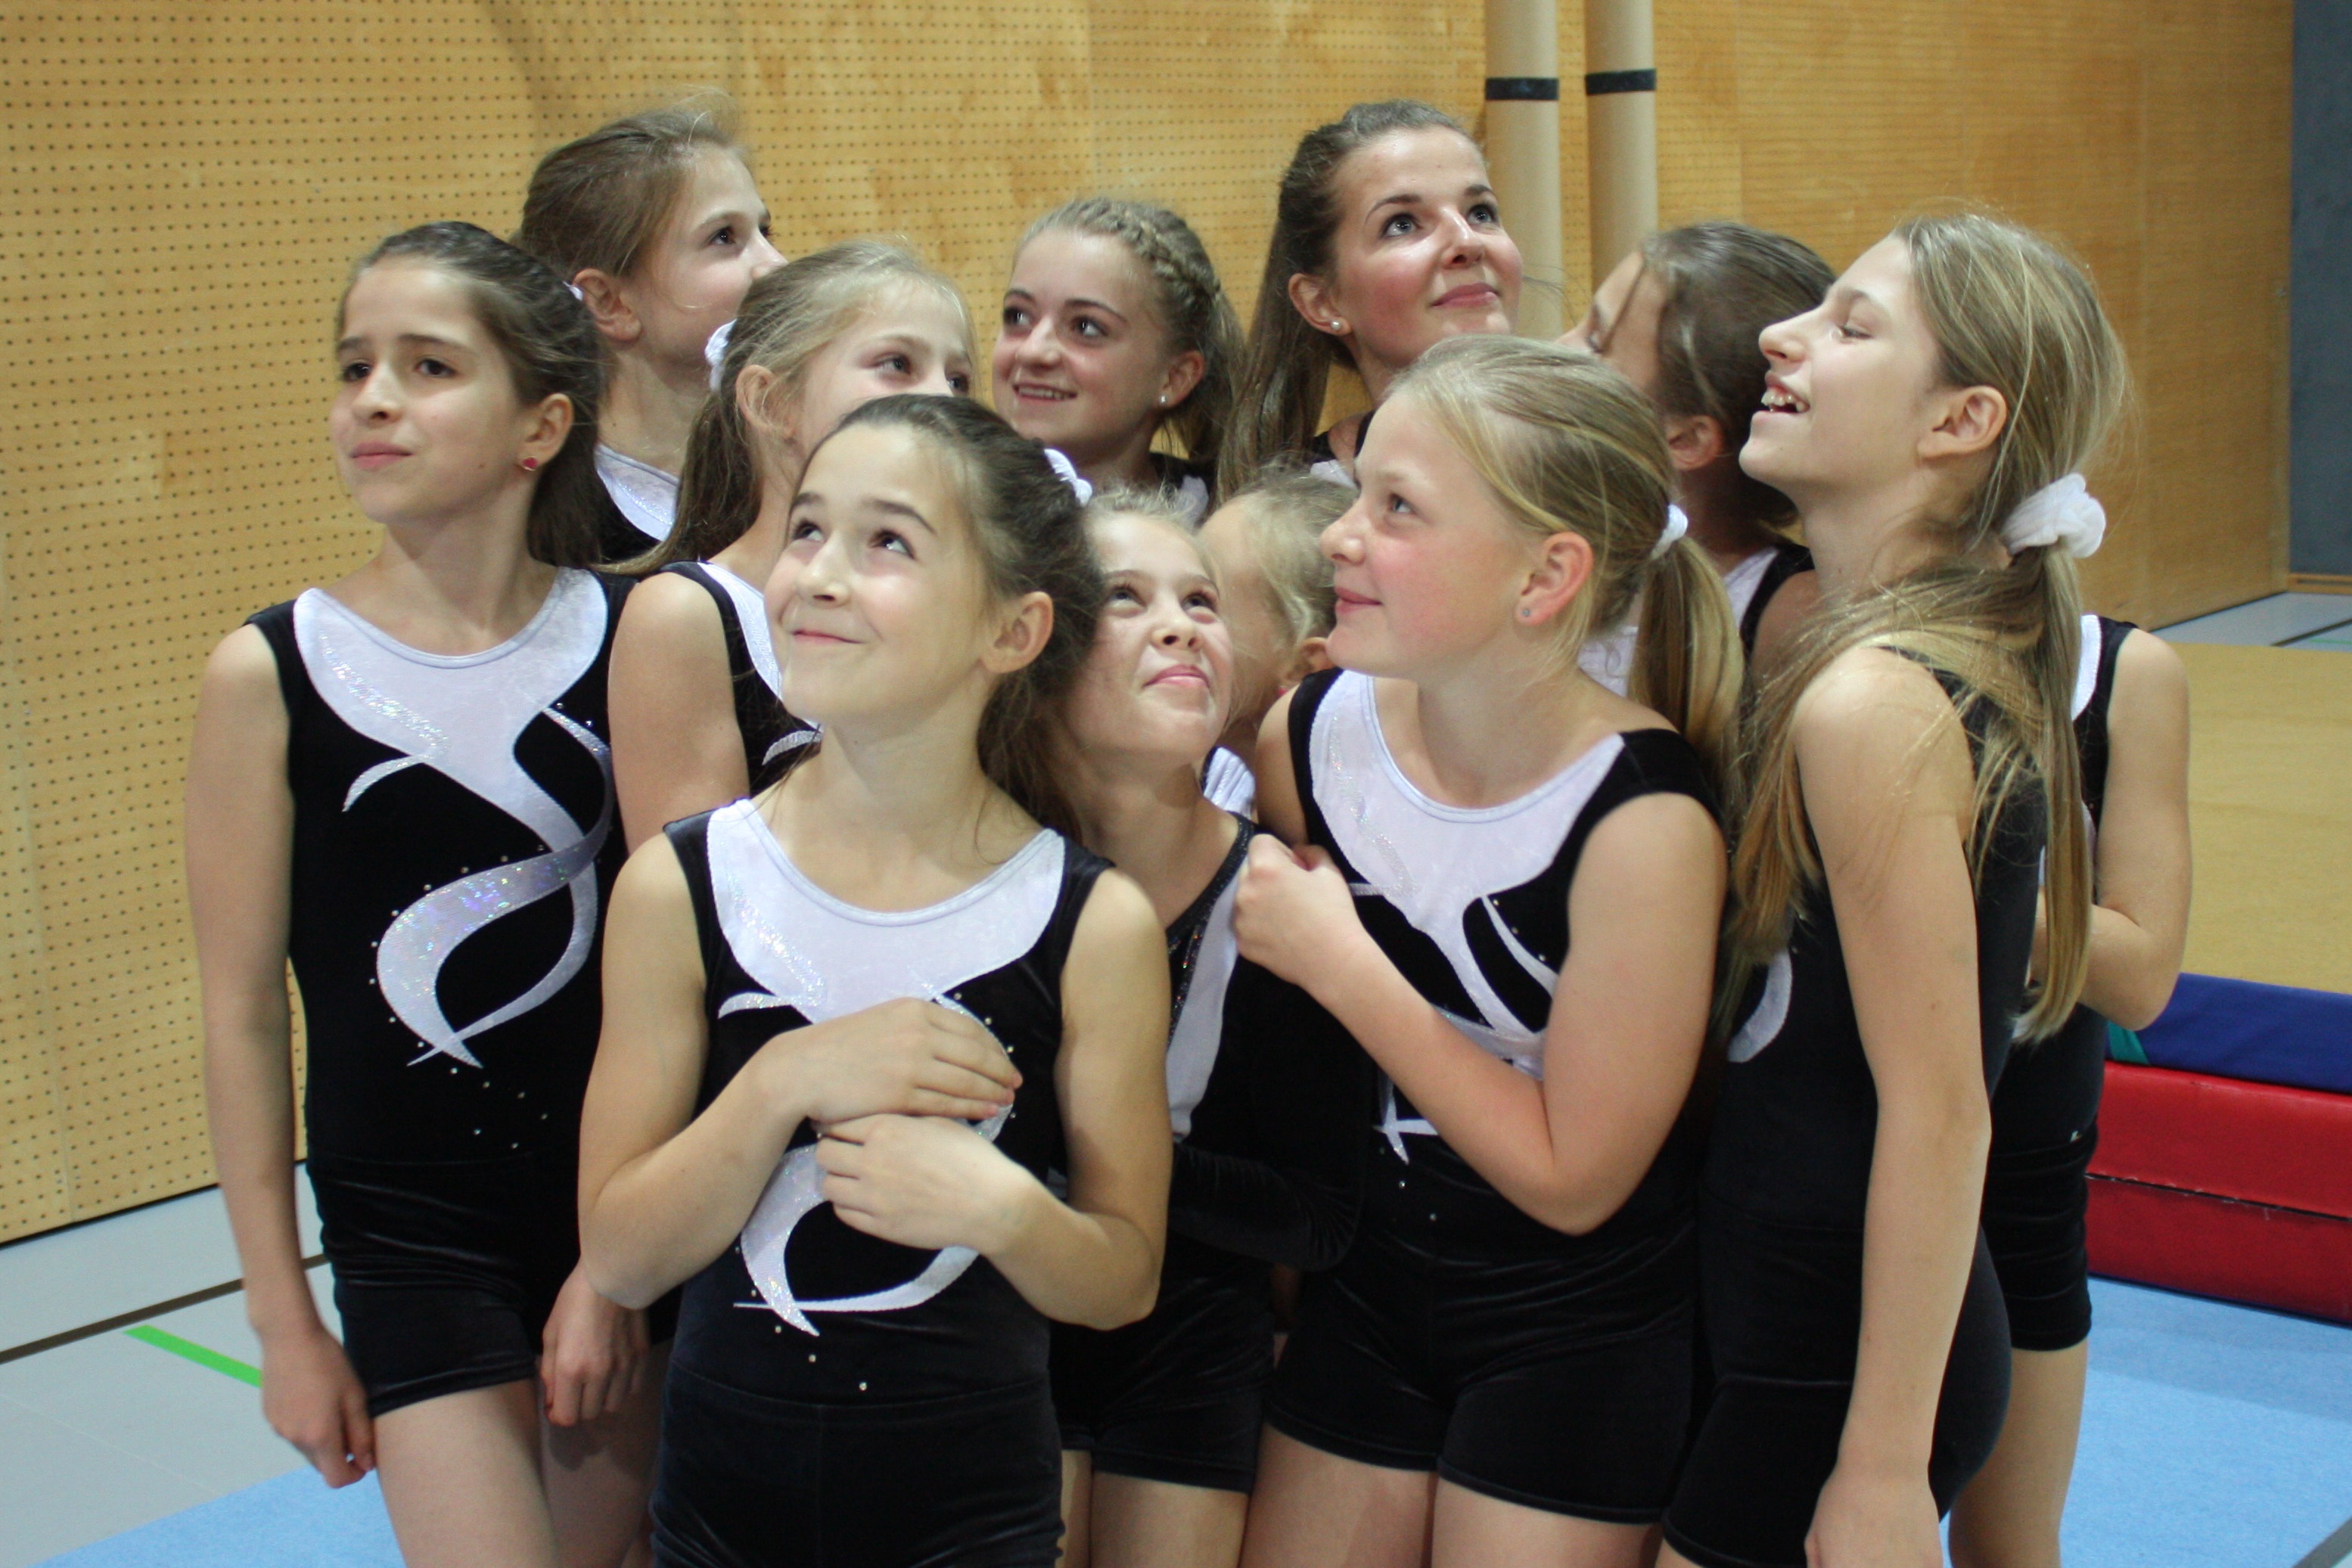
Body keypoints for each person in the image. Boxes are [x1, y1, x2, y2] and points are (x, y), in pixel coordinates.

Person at [576, 396, 1171, 1568]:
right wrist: (782, 1080)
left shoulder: (1090, 922)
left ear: (1012, 629)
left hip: (970, 1524)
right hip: (721, 1521)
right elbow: (622, 1255)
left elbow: (1123, 1281)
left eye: (887, 540)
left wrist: (1003, 1208)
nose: (820, 575)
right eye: (808, 530)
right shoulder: (682, 887)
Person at [1659, 211, 2127, 1568]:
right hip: (1789, 1325)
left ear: (1959, 421)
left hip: (1832, 1363)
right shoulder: (1871, 660)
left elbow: (1939, 1108)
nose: (1778, 336)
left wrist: (1876, 1464)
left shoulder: (1876, 700)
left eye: (1849, 325)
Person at [187, 222, 658, 1568]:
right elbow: (240, 1013)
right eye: (355, 368)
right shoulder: (271, 672)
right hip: (409, 1231)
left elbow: (679, 966)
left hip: (613, 1210)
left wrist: (619, 1263)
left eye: (429, 366)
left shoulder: (636, 636)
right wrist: (284, 1320)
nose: (374, 400)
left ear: (540, 426)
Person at [1232, 334, 1741, 1568]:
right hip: (1366, 1294)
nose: (1339, 536)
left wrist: (1344, 965)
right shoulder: (1307, 735)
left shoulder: (1642, 822)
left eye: (1397, 508)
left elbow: (1573, 1177)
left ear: (1544, 574)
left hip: (1572, 1327)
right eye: (1357, 493)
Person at [1048, 492, 1375, 1568]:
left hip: (1189, 1352)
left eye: (1201, 601)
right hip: (995, 1328)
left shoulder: (1282, 896)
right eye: (1125, 598)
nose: (1180, 626)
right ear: (1028, 642)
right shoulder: (981, 871)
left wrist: (1110, 1158)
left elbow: (1319, 1217)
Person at [1948, 607, 2189, 1568]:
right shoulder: (1809, 633)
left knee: (2010, 1540)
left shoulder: (2119, 672)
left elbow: (2140, 973)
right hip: (1833, 1175)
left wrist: (1940, 879)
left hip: (2024, 1170)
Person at [607, 241, 976, 849]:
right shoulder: (686, 615)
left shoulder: (964, 603)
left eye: (958, 378)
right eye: (896, 364)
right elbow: (695, 894)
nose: (943, 399)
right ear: (772, 401)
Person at [517, 96, 785, 557]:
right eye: (724, 237)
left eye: (765, 232)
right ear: (610, 302)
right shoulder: (548, 525)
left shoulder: (800, 474)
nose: (776, 265)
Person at [1563, 221, 1833, 675]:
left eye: (1595, 342)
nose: (1556, 347)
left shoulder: (1788, 612)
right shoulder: (1534, 539)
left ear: (1684, 439)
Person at [1223, 101, 1522, 492]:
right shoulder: (1293, 513)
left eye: (1481, 213)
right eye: (1402, 224)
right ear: (1321, 302)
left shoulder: (1589, 450)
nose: (1468, 242)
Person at [994, 197, 1240, 520]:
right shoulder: (950, 510)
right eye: (1018, 316)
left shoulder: (1229, 526)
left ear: (1174, 378)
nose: (1032, 351)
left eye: (1086, 327)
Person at [1192, 467, 1351, 818]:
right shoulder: (1217, 781)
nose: (1170, 623)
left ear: (1303, 667)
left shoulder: (1349, 825)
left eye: (1200, 601)